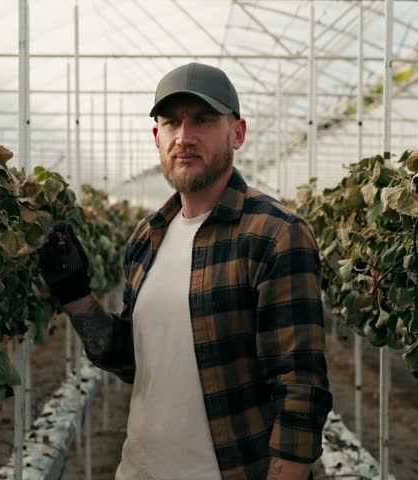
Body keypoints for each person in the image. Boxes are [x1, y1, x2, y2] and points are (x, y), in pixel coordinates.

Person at [40, 62, 332, 480]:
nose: (184, 137)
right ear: (157, 137)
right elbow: (135, 360)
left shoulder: (275, 235)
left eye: (203, 120)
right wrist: (75, 295)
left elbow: (299, 388)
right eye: (171, 122)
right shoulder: (147, 236)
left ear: (238, 132)